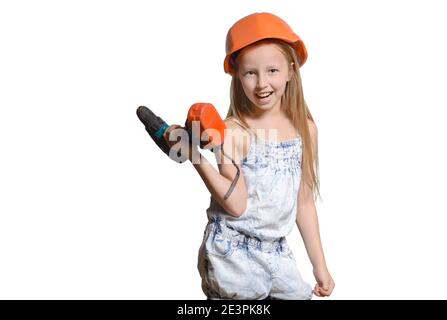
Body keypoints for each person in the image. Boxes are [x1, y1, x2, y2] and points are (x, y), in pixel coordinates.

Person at [163, 12, 334, 300]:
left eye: (272, 71)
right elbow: (235, 204)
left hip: (276, 251)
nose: (261, 83)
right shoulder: (233, 131)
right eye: (250, 73)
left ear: (291, 70)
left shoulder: (307, 130)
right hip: (232, 254)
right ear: (237, 75)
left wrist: (320, 267)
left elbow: (303, 204)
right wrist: (195, 157)